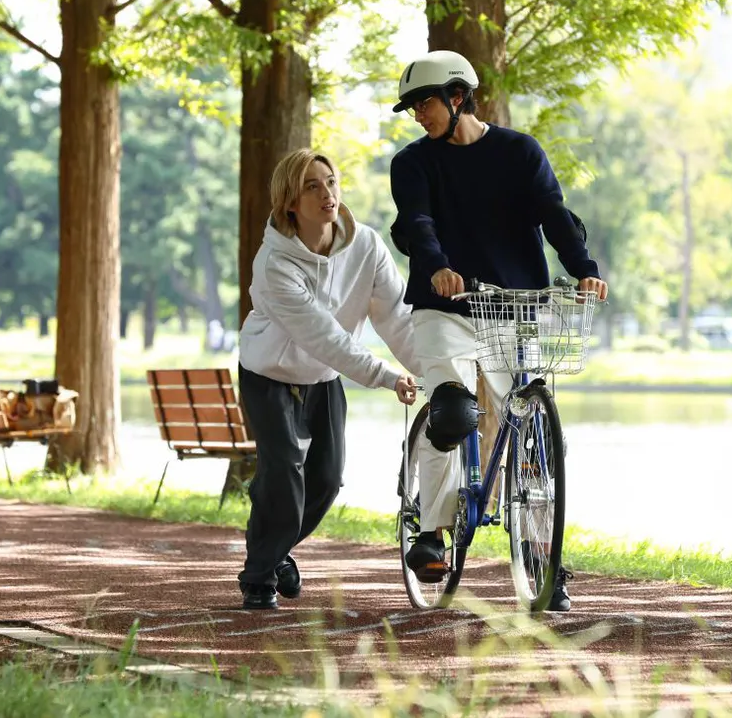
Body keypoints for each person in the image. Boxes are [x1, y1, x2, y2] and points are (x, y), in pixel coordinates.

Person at [388, 49, 608, 612]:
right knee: (455, 409)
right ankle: (433, 533)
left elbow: (554, 214)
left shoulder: (519, 153)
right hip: (444, 307)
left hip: (512, 306)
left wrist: (585, 269)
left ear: (458, 96)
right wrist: (435, 264)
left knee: (532, 426)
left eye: (425, 102)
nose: (418, 115)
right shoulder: (413, 162)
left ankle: (545, 560)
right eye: (412, 106)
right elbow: (417, 222)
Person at [237, 148, 419, 610]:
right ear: (290, 203)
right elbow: (326, 337)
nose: (327, 193)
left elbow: (396, 317)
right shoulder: (274, 264)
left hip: (324, 379)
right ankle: (259, 577)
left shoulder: (367, 247)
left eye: (331, 182)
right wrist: (385, 376)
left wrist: (433, 369)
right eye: (312, 186)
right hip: (269, 375)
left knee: (328, 478)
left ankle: (274, 551)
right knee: (282, 474)